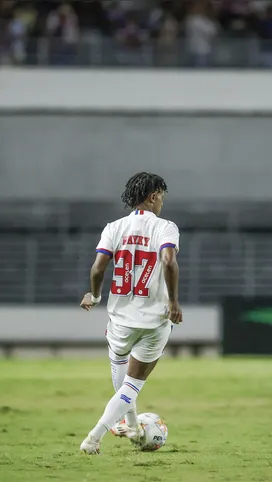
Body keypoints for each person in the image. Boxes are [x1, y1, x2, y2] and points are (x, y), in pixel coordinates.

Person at [78, 172, 183, 455]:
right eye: (161, 196)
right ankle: (94, 438)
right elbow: (168, 260)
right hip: (154, 321)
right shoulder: (166, 227)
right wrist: (173, 302)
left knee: (121, 378)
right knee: (132, 385)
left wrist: (96, 296)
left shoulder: (114, 227)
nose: (162, 202)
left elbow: (98, 267)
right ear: (153, 196)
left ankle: (131, 424)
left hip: (120, 320)